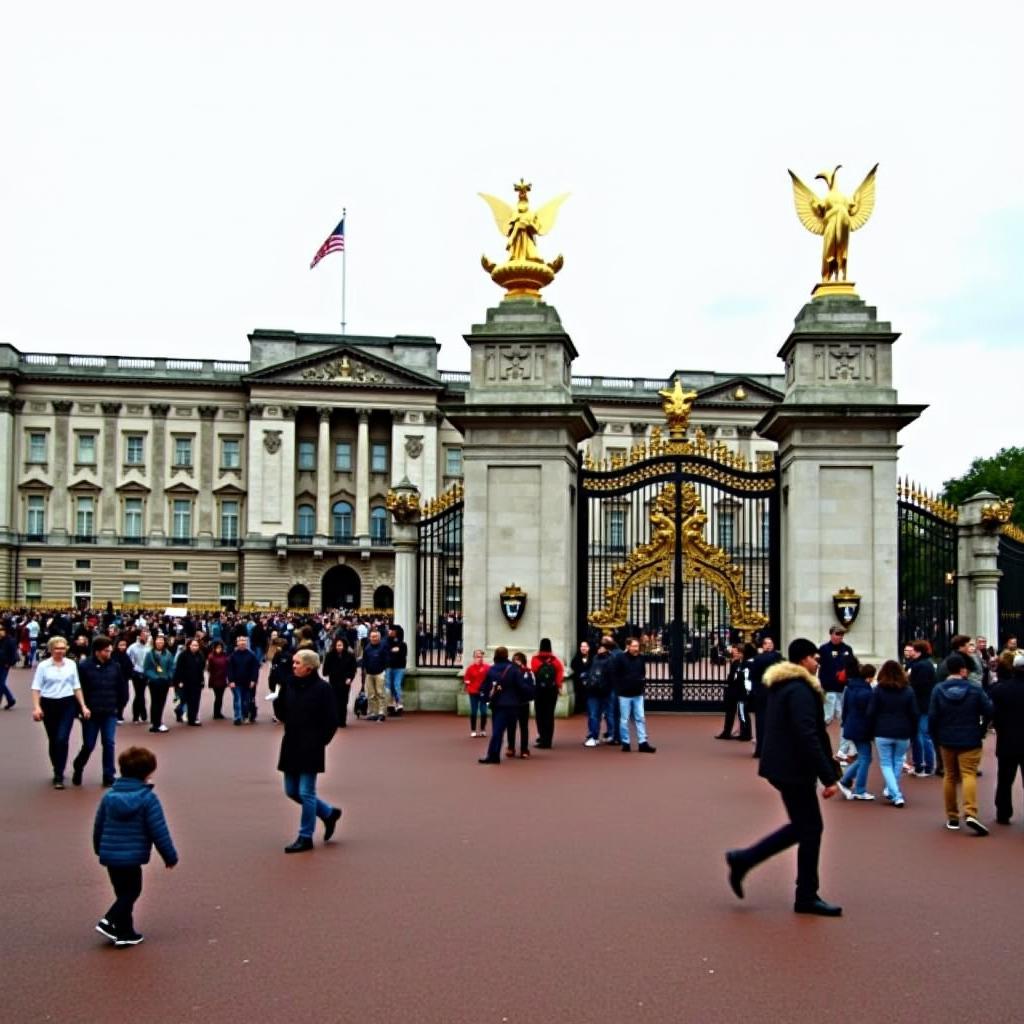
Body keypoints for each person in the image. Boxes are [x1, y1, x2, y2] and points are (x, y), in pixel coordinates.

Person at [724, 638, 842, 916]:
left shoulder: (784, 685)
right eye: (815, 657)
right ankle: (803, 894)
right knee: (810, 828)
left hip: (785, 765)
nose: (818, 661)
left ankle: (748, 862)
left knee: (806, 827)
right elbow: (808, 733)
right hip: (793, 767)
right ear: (803, 660)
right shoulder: (800, 690)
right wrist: (828, 776)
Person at [93, 745, 178, 946]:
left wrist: (99, 847)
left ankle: (125, 932)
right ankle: (109, 920)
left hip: (111, 854)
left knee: (122, 892)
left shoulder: (109, 797)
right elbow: (159, 830)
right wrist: (169, 856)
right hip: (132, 856)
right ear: (147, 773)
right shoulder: (148, 798)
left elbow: (99, 825)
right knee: (132, 891)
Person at [275, 649, 341, 853]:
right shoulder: (289, 683)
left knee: (306, 791)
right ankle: (328, 813)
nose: (293, 666)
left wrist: (320, 741)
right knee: (291, 791)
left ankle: (305, 836)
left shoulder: (323, 688)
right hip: (292, 742)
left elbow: (332, 720)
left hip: (311, 745)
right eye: (293, 662)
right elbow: (282, 712)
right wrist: (278, 699)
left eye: (297, 663)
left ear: (309, 667)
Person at [929, 653, 993, 834]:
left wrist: (936, 737)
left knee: (949, 776)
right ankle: (970, 812)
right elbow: (989, 710)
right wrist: (981, 730)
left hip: (946, 738)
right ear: (963, 670)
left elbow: (933, 717)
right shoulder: (975, 689)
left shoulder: (938, 690)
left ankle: (952, 817)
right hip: (970, 737)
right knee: (968, 775)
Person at [32, 636, 90, 788]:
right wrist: (37, 707)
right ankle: (56, 767)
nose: (60, 651)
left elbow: (76, 686)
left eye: (63, 648)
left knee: (62, 739)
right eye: (57, 648)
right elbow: (36, 687)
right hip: (48, 703)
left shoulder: (71, 664)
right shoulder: (43, 666)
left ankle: (59, 773)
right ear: (51, 649)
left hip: (67, 703)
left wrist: (83, 705)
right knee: (53, 739)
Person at [72, 637, 129, 787]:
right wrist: (80, 709)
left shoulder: (115, 666)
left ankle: (108, 775)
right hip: (90, 713)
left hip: (109, 711)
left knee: (109, 743)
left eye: (110, 650)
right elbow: (79, 690)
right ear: (97, 651)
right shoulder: (84, 667)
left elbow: (122, 688)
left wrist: (119, 706)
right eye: (106, 650)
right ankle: (78, 766)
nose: (109, 653)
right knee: (89, 745)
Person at [867, 660, 918, 808]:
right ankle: (893, 790)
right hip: (903, 731)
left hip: (882, 731)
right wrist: (913, 731)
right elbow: (914, 713)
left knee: (886, 763)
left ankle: (895, 794)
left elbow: (871, 712)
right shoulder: (908, 690)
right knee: (897, 762)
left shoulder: (878, 690)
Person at [478, 647, 526, 765]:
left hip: (499, 704)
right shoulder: (514, 669)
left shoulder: (492, 669)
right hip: (514, 704)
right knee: (512, 729)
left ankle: (493, 755)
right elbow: (521, 686)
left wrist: (486, 700)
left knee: (497, 731)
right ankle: (510, 749)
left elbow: (485, 687)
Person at [991, 654, 1024, 825]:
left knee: (1004, 779)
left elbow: (993, 714)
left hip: (1007, 740)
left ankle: (1003, 812)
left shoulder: (1000, 689)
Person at [837, 659, 875, 800]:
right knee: (865, 757)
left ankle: (846, 780)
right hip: (861, 728)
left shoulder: (850, 687)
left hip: (852, 725)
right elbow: (870, 713)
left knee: (864, 757)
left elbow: (845, 708)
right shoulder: (866, 692)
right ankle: (859, 788)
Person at [612, 637, 655, 753]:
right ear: (628, 646)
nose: (636, 648)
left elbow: (643, 672)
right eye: (634, 646)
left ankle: (642, 742)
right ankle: (626, 742)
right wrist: (619, 688)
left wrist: (642, 684)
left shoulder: (641, 658)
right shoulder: (620, 658)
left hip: (638, 693)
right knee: (624, 719)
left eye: (637, 646)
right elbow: (615, 675)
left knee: (640, 718)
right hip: (624, 694)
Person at [818, 626, 854, 758]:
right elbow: (819, 667)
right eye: (837, 634)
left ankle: (844, 749)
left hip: (844, 688)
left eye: (841, 635)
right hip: (829, 689)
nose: (839, 637)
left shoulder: (847, 649)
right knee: (826, 718)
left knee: (845, 718)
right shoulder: (823, 649)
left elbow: (852, 666)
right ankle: (818, 744)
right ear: (831, 634)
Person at [905, 640, 938, 776]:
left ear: (918, 651)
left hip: (921, 704)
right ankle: (921, 764)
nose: (909, 651)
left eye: (913, 649)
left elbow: (919, 686)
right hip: (922, 703)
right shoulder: (921, 664)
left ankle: (926, 765)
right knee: (920, 735)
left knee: (922, 735)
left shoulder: (922, 666)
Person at [749, 636, 782, 757]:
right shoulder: (778, 658)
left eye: (770, 643)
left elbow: (752, 677)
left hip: (761, 692)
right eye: (767, 643)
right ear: (763, 646)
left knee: (761, 722)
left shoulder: (757, 659)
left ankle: (760, 749)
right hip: (773, 692)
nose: (769, 645)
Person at [531, 639, 564, 749]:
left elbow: (534, 671)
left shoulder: (535, 659)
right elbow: (560, 673)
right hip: (552, 690)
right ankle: (548, 740)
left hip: (540, 690)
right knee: (549, 715)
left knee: (540, 715)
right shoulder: (555, 660)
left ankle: (542, 737)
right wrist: (559, 686)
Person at [582, 640, 614, 747]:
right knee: (594, 715)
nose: (599, 649)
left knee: (601, 715)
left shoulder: (609, 659)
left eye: (602, 647)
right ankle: (594, 735)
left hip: (604, 691)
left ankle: (606, 735)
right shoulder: (595, 658)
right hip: (594, 690)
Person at [716, 643, 751, 740]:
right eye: (734, 652)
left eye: (736, 652)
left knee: (742, 713)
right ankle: (726, 732)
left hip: (741, 691)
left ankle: (746, 734)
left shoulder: (745, 664)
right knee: (729, 712)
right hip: (733, 691)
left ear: (741, 653)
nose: (734, 654)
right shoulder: (735, 662)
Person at [142, 635, 175, 734]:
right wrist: (154, 677)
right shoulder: (149, 654)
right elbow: (146, 668)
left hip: (164, 681)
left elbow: (171, 667)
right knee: (155, 701)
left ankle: (158, 721)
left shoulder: (168, 654)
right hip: (154, 682)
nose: (159, 642)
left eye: (161, 640)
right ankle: (156, 723)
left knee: (161, 702)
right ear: (154, 642)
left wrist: (169, 676)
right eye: (158, 640)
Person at [322, 635, 357, 728]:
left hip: (345, 681)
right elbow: (325, 669)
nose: (339, 647)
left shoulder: (350, 656)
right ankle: (335, 719)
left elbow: (353, 669)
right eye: (337, 645)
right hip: (334, 680)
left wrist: (350, 678)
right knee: (334, 701)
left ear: (344, 645)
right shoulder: (330, 655)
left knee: (343, 701)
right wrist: (328, 672)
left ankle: (342, 720)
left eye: (341, 645)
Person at [226, 634, 261, 726]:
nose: (242, 643)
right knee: (238, 699)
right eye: (240, 641)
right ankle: (237, 717)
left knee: (246, 700)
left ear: (246, 643)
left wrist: (254, 680)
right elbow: (230, 669)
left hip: (247, 681)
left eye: (243, 641)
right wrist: (231, 680)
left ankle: (245, 715)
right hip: (236, 682)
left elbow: (255, 669)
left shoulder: (252, 655)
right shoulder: (233, 656)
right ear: (237, 643)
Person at [172, 636, 206, 726]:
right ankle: (179, 711)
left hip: (196, 682)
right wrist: (179, 681)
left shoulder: (200, 655)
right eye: (193, 645)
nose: (195, 647)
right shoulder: (183, 655)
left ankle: (193, 719)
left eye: (196, 645)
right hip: (185, 682)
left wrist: (202, 680)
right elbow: (179, 669)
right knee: (184, 700)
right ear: (189, 646)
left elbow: (201, 669)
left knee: (195, 701)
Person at [507, 652, 536, 758]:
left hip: (523, 702)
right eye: (515, 659)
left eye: (518, 659)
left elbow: (532, 686)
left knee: (524, 727)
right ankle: (511, 747)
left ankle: (524, 749)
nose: (516, 662)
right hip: (512, 703)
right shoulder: (509, 672)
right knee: (511, 726)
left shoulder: (528, 672)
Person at [361, 628, 390, 721]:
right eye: (372, 637)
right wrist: (364, 672)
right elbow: (364, 660)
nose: (374, 638)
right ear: (370, 637)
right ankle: (373, 712)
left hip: (380, 673)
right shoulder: (367, 648)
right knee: (371, 694)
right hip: (369, 674)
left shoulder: (383, 647)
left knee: (380, 693)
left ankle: (381, 713)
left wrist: (383, 668)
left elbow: (386, 659)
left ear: (379, 637)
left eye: (376, 636)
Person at [463, 648, 490, 738]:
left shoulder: (487, 667)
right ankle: (473, 730)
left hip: (483, 693)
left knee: (484, 711)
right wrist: (469, 687)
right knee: (474, 711)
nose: (480, 658)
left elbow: (490, 678)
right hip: (473, 692)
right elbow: (467, 679)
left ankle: (482, 729)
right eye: (478, 656)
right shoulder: (470, 668)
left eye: (481, 656)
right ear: (474, 657)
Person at [126, 629, 150, 723]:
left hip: (145, 673)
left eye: (146, 636)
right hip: (136, 672)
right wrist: (132, 668)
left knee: (141, 694)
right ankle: (138, 715)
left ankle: (140, 714)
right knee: (139, 694)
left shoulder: (148, 647)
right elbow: (128, 659)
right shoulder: (132, 647)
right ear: (139, 636)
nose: (145, 637)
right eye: (143, 635)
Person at [205, 640, 230, 719]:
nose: (219, 649)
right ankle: (216, 713)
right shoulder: (211, 657)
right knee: (218, 696)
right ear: (214, 648)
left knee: (220, 696)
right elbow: (209, 669)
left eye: (220, 648)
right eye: (217, 648)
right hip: (215, 679)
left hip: (222, 678)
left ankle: (218, 712)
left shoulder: (225, 655)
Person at [386, 624, 408, 713]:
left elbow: (402, 654)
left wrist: (393, 652)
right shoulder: (386, 642)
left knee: (396, 685)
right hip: (389, 666)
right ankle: (390, 703)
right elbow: (386, 652)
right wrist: (393, 651)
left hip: (399, 667)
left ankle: (399, 703)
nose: (389, 631)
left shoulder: (402, 644)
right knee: (389, 685)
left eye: (392, 630)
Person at [0, 623, 18, 709]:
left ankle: (10, 699)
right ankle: (10, 700)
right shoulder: (2, 640)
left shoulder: (10, 640)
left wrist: (9, 663)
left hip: (4, 664)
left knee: (1, 683)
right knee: (1, 683)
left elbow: (13, 654)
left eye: (1, 630)